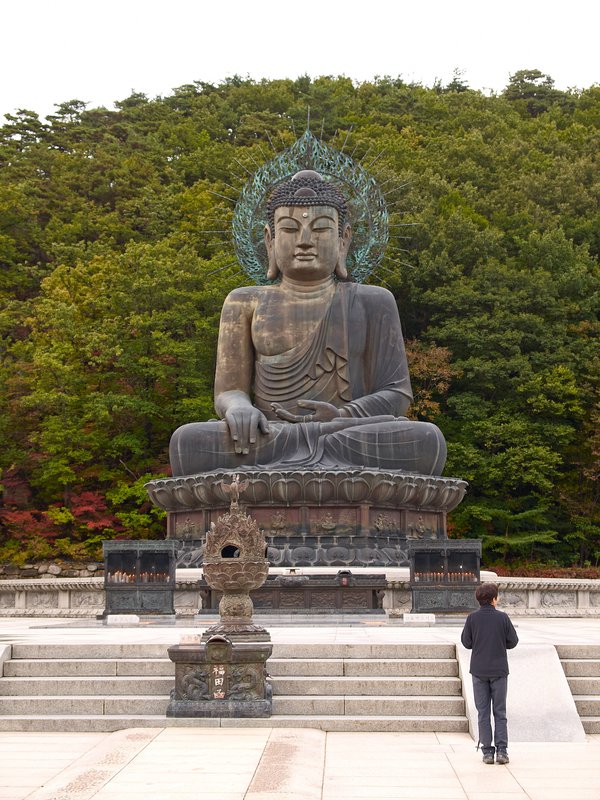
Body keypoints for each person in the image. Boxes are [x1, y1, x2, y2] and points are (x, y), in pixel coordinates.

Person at [169, 171, 447, 476]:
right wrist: (239, 408)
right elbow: (229, 390)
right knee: (188, 442)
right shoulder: (244, 301)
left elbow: (397, 394)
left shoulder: (373, 300)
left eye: (321, 229)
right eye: (289, 229)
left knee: (426, 439)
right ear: (270, 240)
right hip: (269, 433)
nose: (304, 241)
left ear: (343, 240)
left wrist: (342, 415)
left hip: (345, 431)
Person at [461, 582, 519, 765]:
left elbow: (466, 642)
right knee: (500, 711)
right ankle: (502, 750)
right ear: (494, 599)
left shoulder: (472, 618)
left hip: (479, 670)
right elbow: (513, 641)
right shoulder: (502, 618)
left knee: (483, 712)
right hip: (499, 670)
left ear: (479, 599)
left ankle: (487, 752)